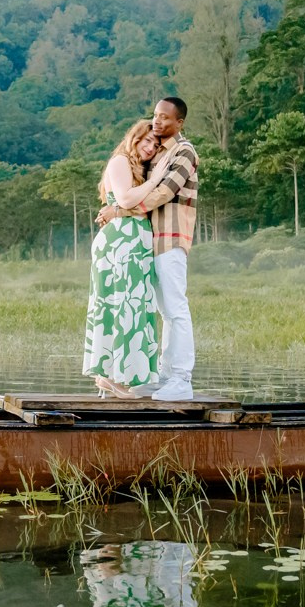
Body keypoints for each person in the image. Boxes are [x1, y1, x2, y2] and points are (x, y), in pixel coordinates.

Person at [98, 96, 198, 400]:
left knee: (175, 308)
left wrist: (119, 211)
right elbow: (131, 187)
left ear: (179, 122)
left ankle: (181, 379)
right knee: (159, 310)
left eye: (166, 118)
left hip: (171, 237)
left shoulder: (184, 152)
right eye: (155, 115)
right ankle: (163, 377)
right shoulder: (154, 154)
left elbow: (163, 194)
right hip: (146, 242)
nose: (158, 121)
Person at [83, 119, 167, 396]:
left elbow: (132, 205)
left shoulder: (138, 169)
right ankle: (112, 375)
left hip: (134, 240)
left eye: (155, 145)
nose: (150, 148)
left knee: (134, 307)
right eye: (146, 141)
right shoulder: (119, 161)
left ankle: (116, 376)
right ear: (134, 138)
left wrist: (121, 208)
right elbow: (127, 199)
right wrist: (155, 181)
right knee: (121, 305)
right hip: (121, 241)